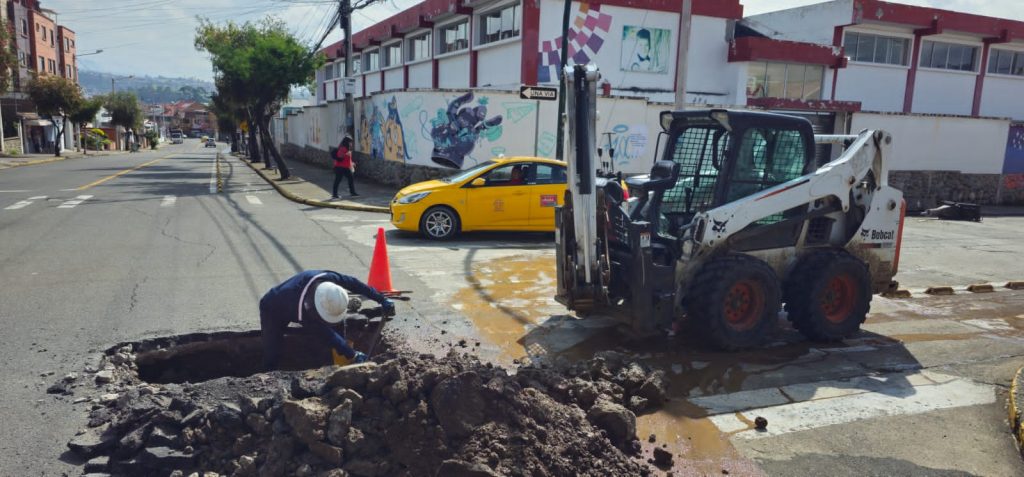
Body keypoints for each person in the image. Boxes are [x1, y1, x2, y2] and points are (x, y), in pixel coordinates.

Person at [259, 269, 395, 370]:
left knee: (339, 328)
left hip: (293, 298)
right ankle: (268, 375)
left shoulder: (327, 280)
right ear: (315, 307)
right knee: (273, 350)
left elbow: (354, 283)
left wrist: (381, 298)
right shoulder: (304, 311)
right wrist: (352, 354)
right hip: (272, 309)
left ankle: (341, 365)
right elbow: (327, 334)